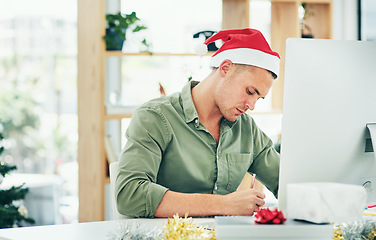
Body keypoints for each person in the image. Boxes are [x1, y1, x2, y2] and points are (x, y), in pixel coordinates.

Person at [115, 28, 281, 218]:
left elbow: (283, 182)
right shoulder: (155, 117)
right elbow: (129, 194)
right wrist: (224, 205)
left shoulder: (247, 129)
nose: (251, 105)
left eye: (259, 98)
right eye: (250, 92)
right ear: (225, 68)